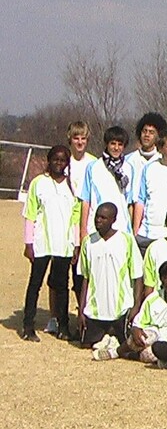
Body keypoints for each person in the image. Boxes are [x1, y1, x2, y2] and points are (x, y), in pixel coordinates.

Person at [20, 146, 80, 341]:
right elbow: (30, 214)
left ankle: (63, 326)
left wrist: (76, 244)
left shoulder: (72, 186)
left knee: (61, 285)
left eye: (63, 160)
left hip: (63, 244)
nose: (59, 163)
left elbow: (76, 217)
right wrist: (28, 243)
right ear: (49, 160)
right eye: (55, 159)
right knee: (35, 283)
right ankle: (28, 326)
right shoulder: (39, 183)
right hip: (41, 243)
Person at [92, 260, 167, 362]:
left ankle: (130, 355)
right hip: (155, 335)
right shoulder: (153, 298)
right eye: (166, 277)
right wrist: (136, 330)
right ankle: (115, 352)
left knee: (150, 355)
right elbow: (138, 323)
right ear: (161, 279)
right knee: (146, 336)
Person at [77, 203, 144, 348]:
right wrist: (81, 310)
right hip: (95, 311)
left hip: (120, 310)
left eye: (103, 218)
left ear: (113, 220)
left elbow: (138, 276)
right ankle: (105, 338)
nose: (98, 221)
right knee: (86, 345)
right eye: (97, 217)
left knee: (128, 346)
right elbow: (85, 279)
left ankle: (112, 338)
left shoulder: (126, 240)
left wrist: (136, 306)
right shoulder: (88, 242)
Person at [59, 121, 96, 334]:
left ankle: (84, 317)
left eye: (83, 138)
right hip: (64, 224)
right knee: (60, 274)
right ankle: (58, 319)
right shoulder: (65, 162)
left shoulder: (94, 163)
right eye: (76, 138)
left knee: (82, 276)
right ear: (70, 139)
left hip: (85, 225)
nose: (80, 142)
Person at [80, 126, 136, 239]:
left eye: (120, 144)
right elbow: (86, 201)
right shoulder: (93, 167)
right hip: (95, 229)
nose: (116, 148)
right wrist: (83, 231)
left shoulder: (129, 168)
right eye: (113, 144)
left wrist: (132, 231)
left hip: (121, 228)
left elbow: (129, 203)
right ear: (107, 144)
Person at [125, 112, 167, 194]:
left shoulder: (163, 160)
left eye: (151, 132)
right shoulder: (128, 160)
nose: (147, 135)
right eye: (145, 131)